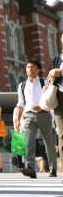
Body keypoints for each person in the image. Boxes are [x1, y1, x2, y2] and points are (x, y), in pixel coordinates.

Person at [15, 59, 57, 178]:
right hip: (28, 116)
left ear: (38, 69)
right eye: (28, 67)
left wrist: (44, 109)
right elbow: (20, 103)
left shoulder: (45, 82)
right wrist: (18, 120)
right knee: (29, 142)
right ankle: (31, 169)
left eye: (33, 67)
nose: (30, 69)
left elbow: (51, 100)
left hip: (44, 114)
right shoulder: (22, 85)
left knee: (49, 142)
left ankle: (53, 168)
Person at [48, 29, 63, 175]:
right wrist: (52, 73)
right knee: (61, 134)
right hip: (60, 97)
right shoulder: (57, 58)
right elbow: (51, 77)